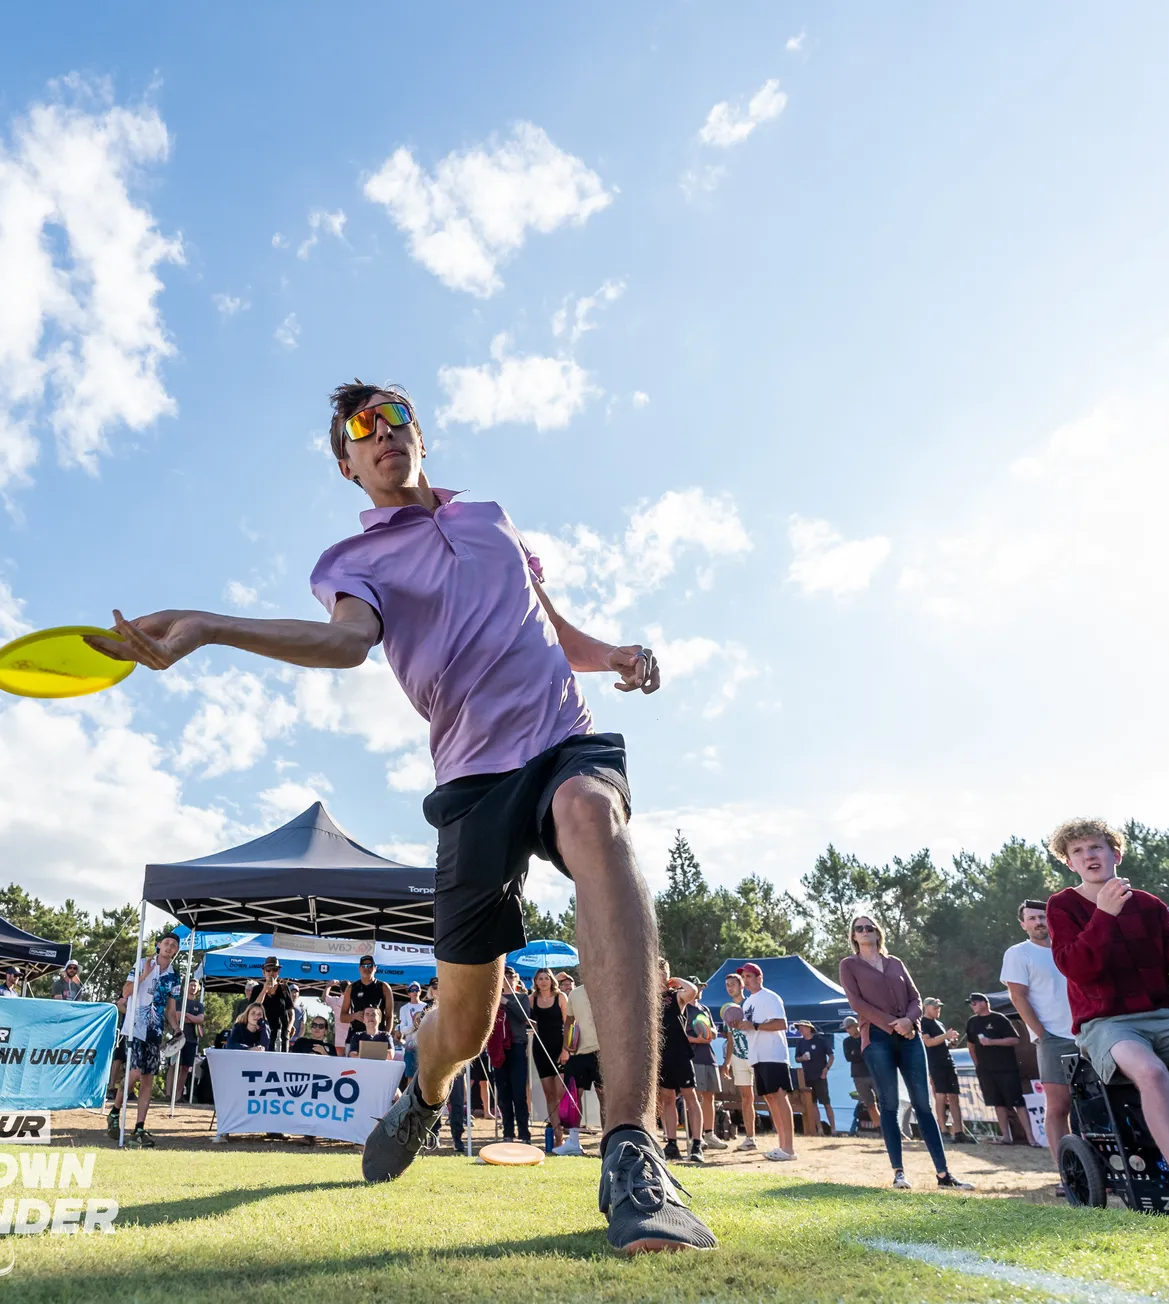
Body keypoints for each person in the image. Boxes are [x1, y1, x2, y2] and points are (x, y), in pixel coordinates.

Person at [85, 381, 715, 1254]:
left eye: (394, 418)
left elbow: (549, 625)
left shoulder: (492, 517)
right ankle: (421, 1097)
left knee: (591, 813)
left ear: (421, 432)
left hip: (564, 742)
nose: (381, 432)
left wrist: (613, 657)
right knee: (464, 1023)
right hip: (471, 784)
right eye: (360, 428)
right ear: (347, 463)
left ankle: (631, 1150)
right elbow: (345, 643)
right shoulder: (354, 562)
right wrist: (207, 625)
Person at [1046, 818, 1169, 1177]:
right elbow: (1076, 968)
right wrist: (1104, 915)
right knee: (1150, 1072)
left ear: (1115, 854)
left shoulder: (1150, 905)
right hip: (1106, 1022)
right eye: (1078, 851)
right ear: (1069, 863)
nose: (1089, 856)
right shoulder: (1062, 906)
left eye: (1096, 847)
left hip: (1164, 1014)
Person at [840, 916, 972, 1190]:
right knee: (889, 1103)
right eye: (859, 928)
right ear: (853, 936)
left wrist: (910, 1022)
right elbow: (857, 1003)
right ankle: (899, 1172)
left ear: (878, 933)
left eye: (870, 927)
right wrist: (893, 1024)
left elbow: (916, 997)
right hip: (877, 1037)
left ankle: (943, 1174)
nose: (865, 931)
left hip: (910, 1036)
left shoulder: (895, 963)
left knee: (923, 1104)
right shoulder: (848, 965)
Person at [1001, 898, 1075, 1170]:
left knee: (1092, 1104)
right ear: (1023, 924)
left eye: (1042, 917)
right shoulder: (1018, 953)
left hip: (1088, 1034)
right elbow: (1018, 997)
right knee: (1059, 1106)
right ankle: (1066, 1173)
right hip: (1053, 1038)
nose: (1038, 922)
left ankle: (1099, 1171)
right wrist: (1042, 1034)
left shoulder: (1069, 948)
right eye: (1031, 918)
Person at [107, 934, 184, 1147]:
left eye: (174, 946)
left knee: (148, 1078)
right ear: (158, 945)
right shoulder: (142, 963)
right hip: (134, 1027)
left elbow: (170, 1010)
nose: (169, 947)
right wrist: (144, 975)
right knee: (135, 1072)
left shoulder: (174, 976)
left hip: (155, 1030)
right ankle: (115, 1111)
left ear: (176, 951)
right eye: (166, 943)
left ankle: (139, 1127)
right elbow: (126, 992)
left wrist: (177, 1029)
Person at [735, 963, 796, 1162]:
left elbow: (781, 1023)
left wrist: (755, 1025)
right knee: (770, 1099)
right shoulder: (746, 1003)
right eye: (744, 977)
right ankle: (781, 1146)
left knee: (779, 1096)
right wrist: (740, 1025)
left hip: (774, 1054)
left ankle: (789, 1148)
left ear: (760, 977)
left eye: (749, 976)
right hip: (757, 1055)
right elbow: (750, 1028)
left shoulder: (771, 997)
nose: (746, 980)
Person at [964, 993, 1034, 1146]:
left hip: (1006, 1068)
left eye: (974, 1003)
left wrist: (992, 1042)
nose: (972, 1006)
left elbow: (1015, 1039)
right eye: (971, 1004)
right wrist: (978, 1065)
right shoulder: (972, 1022)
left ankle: (1031, 1138)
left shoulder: (999, 1019)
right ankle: (1006, 1137)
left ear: (984, 1003)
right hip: (987, 1070)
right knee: (998, 1103)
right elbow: (971, 1045)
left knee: (1018, 1102)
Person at [657, 961, 704, 1164]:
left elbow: (692, 991)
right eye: (658, 972)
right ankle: (672, 1143)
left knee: (689, 1097)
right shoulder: (647, 998)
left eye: (665, 972)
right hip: (661, 1055)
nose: (662, 976)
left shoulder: (675, 996)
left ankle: (696, 1144)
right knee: (667, 1099)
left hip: (679, 1053)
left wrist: (677, 981)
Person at [555, 976, 603, 1155]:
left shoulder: (607, 988)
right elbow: (569, 1021)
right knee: (573, 1097)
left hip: (602, 1052)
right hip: (579, 1053)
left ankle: (606, 1142)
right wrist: (567, 1045)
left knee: (604, 1097)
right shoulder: (574, 994)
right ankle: (573, 1142)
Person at [529, 968, 570, 1152]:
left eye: (546, 978)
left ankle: (566, 1129)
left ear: (551, 979)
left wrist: (566, 1049)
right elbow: (529, 1020)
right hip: (540, 1048)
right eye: (540, 978)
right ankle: (557, 1136)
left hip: (559, 1047)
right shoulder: (532, 999)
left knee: (562, 1093)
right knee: (549, 1093)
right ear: (536, 981)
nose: (543, 981)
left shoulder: (560, 997)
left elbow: (569, 1024)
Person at [685, 984, 727, 1150]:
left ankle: (710, 1135)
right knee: (694, 1098)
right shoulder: (684, 1008)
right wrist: (697, 1040)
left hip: (709, 1057)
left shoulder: (704, 1008)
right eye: (697, 988)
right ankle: (696, 1137)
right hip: (693, 1057)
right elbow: (680, 1033)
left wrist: (712, 1033)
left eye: (701, 988)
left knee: (710, 1096)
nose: (700, 991)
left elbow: (713, 1030)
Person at [918, 998, 965, 1143]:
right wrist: (946, 1036)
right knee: (940, 1095)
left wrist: (951, 1042)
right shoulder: (923, 1023)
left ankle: (959, 1132)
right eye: (935, 1007)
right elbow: (928, 1042)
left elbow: (941, 1043)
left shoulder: (940, 1024)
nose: (938, 1010)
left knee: (954, 1096)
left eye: (939, 1007)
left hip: (948, 1061)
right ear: (926, 1007)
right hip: (935, 1063)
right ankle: (943, 1131)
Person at [496, 967, 534, 1146]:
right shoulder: (494, 1000)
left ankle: (524, 1133)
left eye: (511, 976)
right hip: (499, 1049)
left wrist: (507, 1002)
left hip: (517, 1046)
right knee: (504, 1093)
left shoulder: (522, 998)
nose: (507, 979)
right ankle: (508, 1132)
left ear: (516, 979)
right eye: (504, 977)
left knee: (519, 1092)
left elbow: (524, 1017)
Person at [720, 972, 756, 1150]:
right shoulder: (727, 1009)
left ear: (742, 985)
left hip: (756, 1054)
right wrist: (727, 1062)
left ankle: (783, 1138)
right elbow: (730, 1038)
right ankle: (750, 1138)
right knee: (745, 1097)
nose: (730, 987)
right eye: (727, 985)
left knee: (770, 1096)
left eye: (733, 984)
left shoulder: (750, 1004)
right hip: (738, 1057)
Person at [792, 1020, 836, 1135]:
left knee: (826, 1103)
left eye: (803, 1027)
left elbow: (831, 1056)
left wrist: (826, 1069)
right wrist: (802, 1058)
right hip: (807, 1076)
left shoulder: (820, 1040)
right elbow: (796, 1058)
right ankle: (819, 1129)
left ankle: (833, 1129)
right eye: (799, 1028)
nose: (801, 1029)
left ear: (809, 1028)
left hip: (820, 1076)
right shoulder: (800, 1042)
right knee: (812, 1104)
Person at [167, 977, 205, 1103]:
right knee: (173, 1065)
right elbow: (177, 1017)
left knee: (185, 1068)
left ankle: (178, 1095)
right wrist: (192, 1018)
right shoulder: (179, 1001)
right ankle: (168, 1093)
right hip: (177, 1037)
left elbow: (200, 1019)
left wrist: (187, 1016)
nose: (193, 987)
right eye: (191, 985)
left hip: (191, 1040)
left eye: (195, 986)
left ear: (198, 988)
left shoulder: (199, 1005)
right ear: (186, 986)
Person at [840, 1016, 881, 1130]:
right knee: (869, 1104)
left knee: (884, 1101)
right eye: (846, 1028)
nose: (847, 1030)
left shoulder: (866, 1037)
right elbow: (849, 1057)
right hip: (858, 1076)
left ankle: (891, 1127)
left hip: (873, 1073)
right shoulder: (847, 1041)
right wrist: (860, 1053)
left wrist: (856, 1054)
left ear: (855, 1025)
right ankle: (879, 1127)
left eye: (849, 1027)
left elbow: (870, 1054)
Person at [340, 956, 394, 1039]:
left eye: (370, 966)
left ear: (375, 968)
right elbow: (342, 1018)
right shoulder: (351, 988)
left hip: (377, 1036)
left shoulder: (384, 987)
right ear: (359, 969)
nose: (367, 968)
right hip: (355, 1036)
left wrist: (386, 1036)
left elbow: (389, 1016)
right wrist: (354, 1016)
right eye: (364, 966)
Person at [321, 982, 350, 1052]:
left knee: (340, 1062)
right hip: (352, 1040)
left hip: (339, 1042)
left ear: (340, 990)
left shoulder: (335, 1001)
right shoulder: (354, 1002)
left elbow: (324, 997)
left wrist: (329, 985)